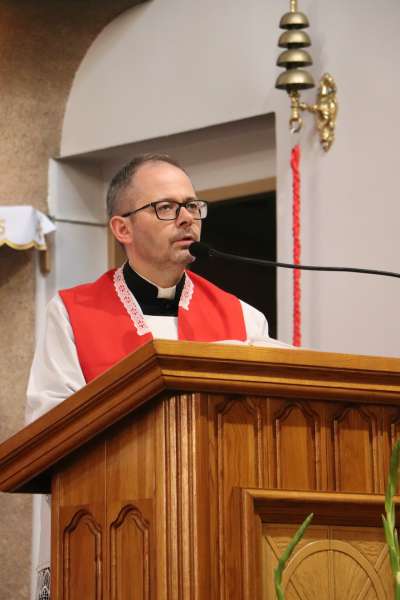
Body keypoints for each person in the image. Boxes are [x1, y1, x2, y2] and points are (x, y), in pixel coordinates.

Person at [26, 153, 288, 599]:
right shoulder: (72, 313)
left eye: (192, 206)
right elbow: (48, 430)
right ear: (122, 229)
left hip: (217, 535)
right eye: (166, 207)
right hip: (109, 536)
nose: (187, 219)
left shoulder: (243, 318)